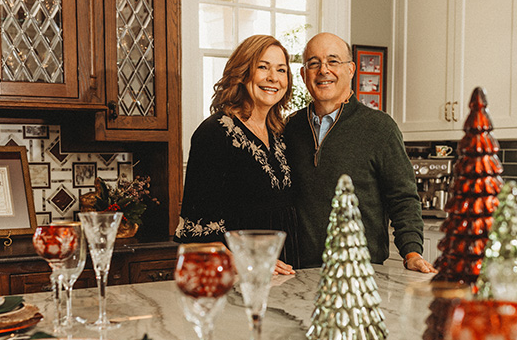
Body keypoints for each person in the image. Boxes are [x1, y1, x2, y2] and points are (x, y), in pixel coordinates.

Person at [283, 32, 435, 273]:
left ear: (351, 70)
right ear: (303, 74)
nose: (324, 70)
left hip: (360, 277)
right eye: (314, 63)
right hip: (297, 274)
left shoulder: (380, 128)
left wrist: (412, 253)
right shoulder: (288, 128)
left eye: (333, 61)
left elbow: (403, 198)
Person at [175, 35, 299, 274]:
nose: (273, 77)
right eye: (262, 67)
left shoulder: (281, 134)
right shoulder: (215, 132)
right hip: (237, 280)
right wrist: (251, 263)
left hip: (285, 275)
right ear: (242, 73)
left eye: (281, 70)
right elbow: (196, 232)